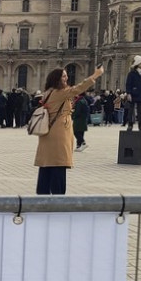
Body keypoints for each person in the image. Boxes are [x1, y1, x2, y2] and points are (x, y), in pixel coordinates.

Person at [34, 66, 104, 195]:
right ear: (57, 79)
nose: (66, 78)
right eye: (63, 76)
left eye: (66, 75)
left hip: (48, 131)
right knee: (58, 164)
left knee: (46, 165)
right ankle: (58, 196)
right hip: (59, 132)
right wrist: (95, 75)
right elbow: (79, 88)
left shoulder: (48, 92)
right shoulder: (61, 92)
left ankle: (42, 195)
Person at [125, 56, 141, 131]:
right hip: (133, 93)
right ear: (137, 63)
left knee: (140, 110)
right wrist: (128, 93)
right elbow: (128, 84)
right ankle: (130, 124)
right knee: (131, 110)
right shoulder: (131, 73)